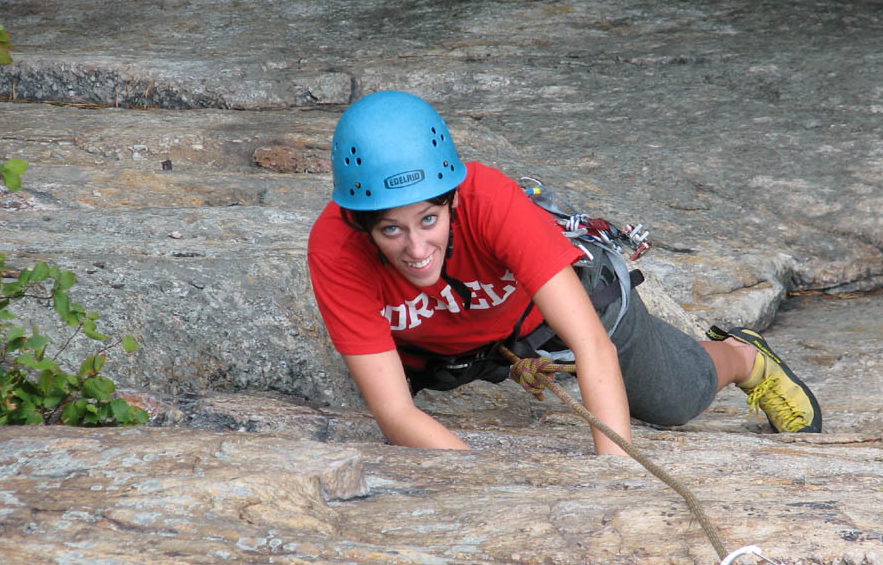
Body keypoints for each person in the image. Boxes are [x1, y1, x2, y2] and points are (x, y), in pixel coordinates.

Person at [308, 91, 821, 455]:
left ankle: (743, 357)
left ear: (453, 201)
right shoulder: (336, 248)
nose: (417, 249)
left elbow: (591, 344)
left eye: (428, 220)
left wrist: (614, 483)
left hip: (539, 320)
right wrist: (478, 489)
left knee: (673, 399)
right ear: (360, 223)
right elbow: (395, 413)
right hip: (441, 351)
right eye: (391, 231)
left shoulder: (491, 202)